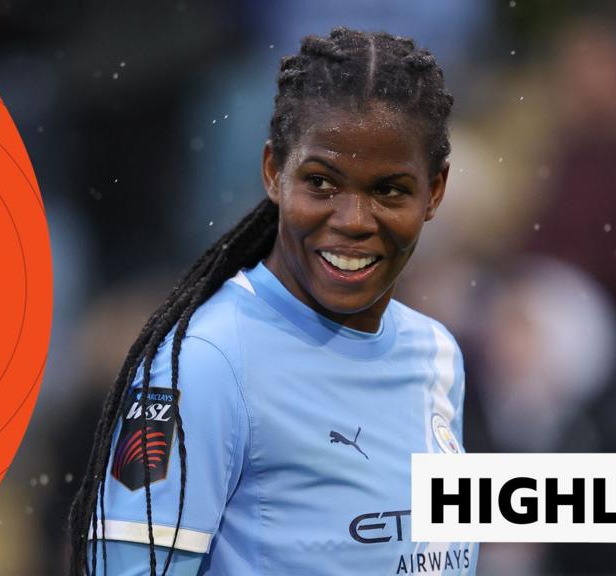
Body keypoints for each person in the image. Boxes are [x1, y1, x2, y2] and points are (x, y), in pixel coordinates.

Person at [68, 27, 478, 575]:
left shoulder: (437, 354)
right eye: (322, 182)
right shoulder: (206, 363)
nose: (353, 220)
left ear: (435, 192)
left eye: (388, 190)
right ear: (273, 172)